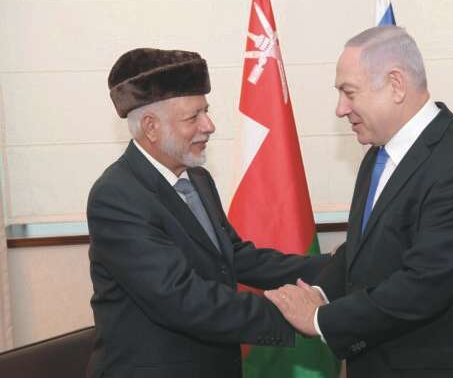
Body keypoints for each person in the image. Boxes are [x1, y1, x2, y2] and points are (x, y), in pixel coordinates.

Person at [265, 26, 453, 377]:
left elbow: (424, 284)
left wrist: (320, 319)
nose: (340, 109)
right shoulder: (377, 155)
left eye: (349, 92)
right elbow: (363, 249)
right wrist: (320, 293)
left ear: (396, 85)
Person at [86, 48, 331, 378]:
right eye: (193, 117)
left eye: (207, 111)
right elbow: (182, 298)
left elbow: (235, 257)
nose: (210, 125)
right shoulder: (117, 196)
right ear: (151, 127)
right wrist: (298, 313)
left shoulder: (198, 178)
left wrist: (334, 268)